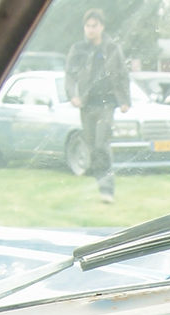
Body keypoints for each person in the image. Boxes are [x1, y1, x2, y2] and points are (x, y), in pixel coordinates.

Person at [64, 8, 130, 205]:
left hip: (106, 104)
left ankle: (107, 190)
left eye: (94, 26)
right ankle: (100, 184)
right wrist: (72, 95)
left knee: (102, 143)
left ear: (102, 27)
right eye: (88, 26)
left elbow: (122, 73)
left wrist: (125, 100)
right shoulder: (78, 49)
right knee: (93, 147)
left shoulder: (112, 48)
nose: (91, 30)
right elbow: (69, 74)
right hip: (87, 104)